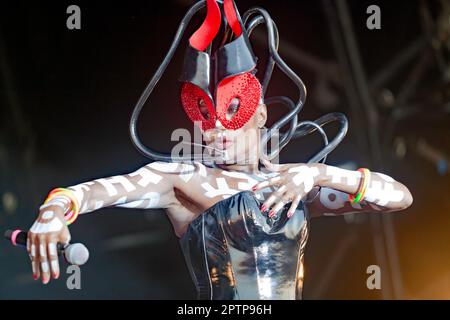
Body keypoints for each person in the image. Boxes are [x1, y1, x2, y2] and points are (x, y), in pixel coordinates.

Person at [25, 0, 413, 299]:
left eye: (230, 112)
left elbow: (398, 197)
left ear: (259, 114)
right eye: (204, 117)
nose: (216, 129)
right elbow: (92, 192)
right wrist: (53, 212)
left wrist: (318, 173)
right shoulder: (183, 179)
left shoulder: (291, 184)